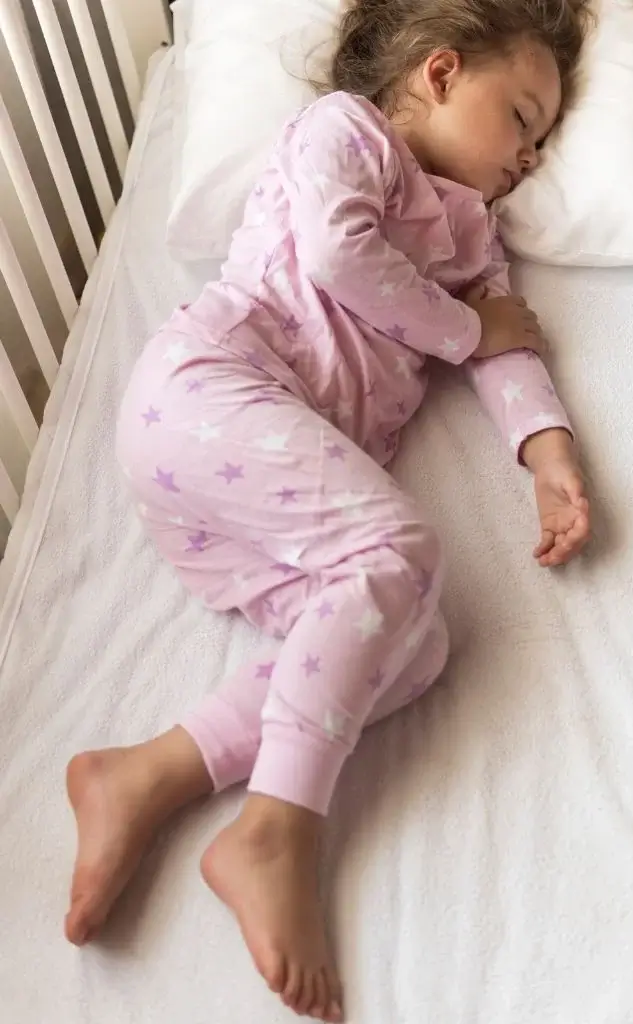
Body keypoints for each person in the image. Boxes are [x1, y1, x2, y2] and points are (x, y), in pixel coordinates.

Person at [64, 0, 591, 1019]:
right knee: (403, 544)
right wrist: (464, 327)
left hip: (251, 505)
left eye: (548, 137)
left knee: (417, 645)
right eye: (522, 117)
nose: (533, 154)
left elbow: (507, 342)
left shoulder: (473, 238)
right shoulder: (347, 134)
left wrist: (550, 453)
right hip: (210, 393)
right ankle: (277, 827)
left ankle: (148, 774)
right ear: (439, 74)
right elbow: (343, 255)